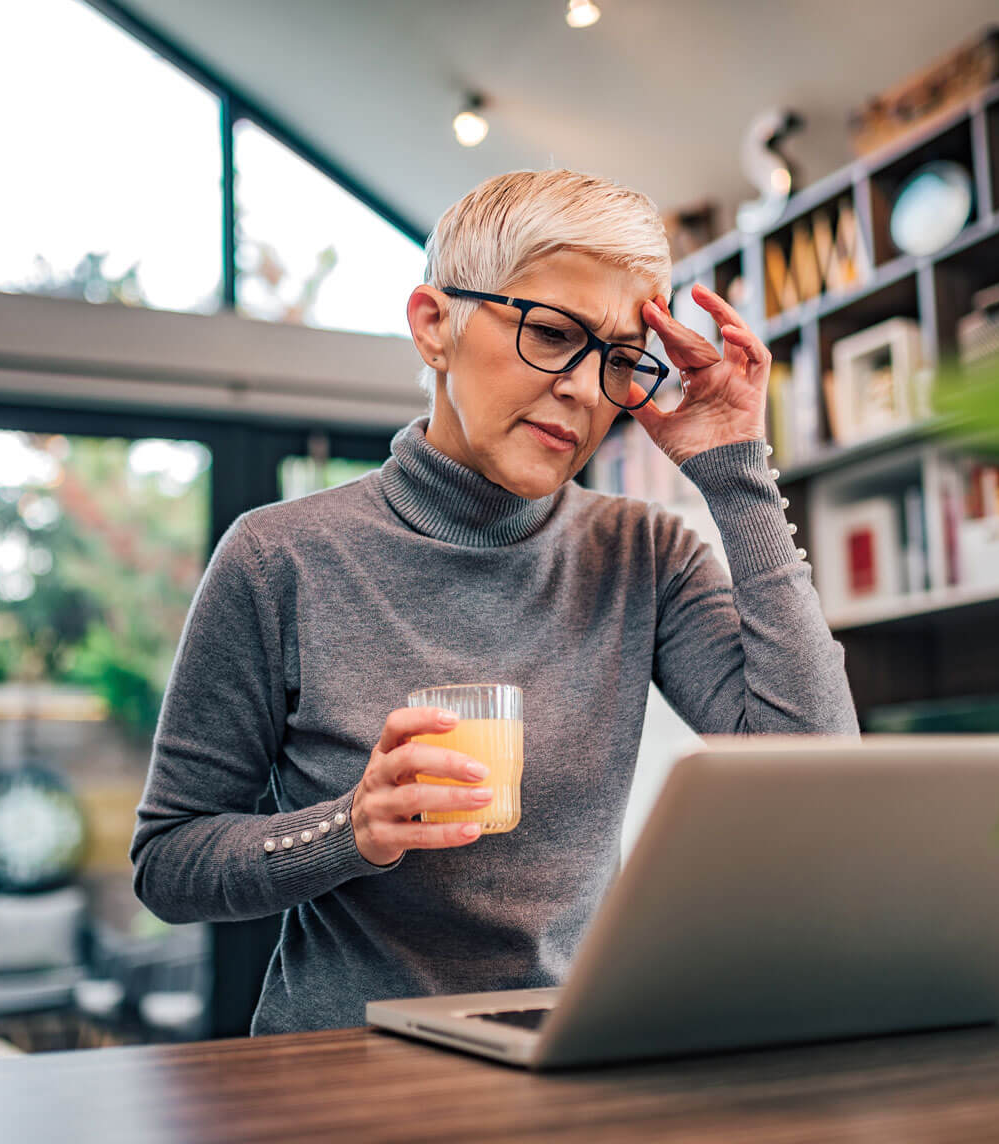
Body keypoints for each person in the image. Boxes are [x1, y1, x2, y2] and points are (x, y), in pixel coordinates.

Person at [131, 169, 858, 1035]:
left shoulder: (645, 554)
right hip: (340, 1076)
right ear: (434, 326)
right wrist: (349, 829)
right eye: (552, 334)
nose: (588, 392)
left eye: (621, 361)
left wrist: (737, 471)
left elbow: (815, 773)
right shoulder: (277, 557)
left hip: (569, 1059)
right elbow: (169, 861)